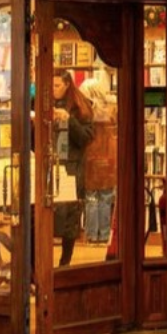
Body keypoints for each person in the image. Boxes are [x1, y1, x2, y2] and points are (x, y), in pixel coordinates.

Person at [52, 70, 94, 267]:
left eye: (57, 86)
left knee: (69, 219)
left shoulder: (80, 106)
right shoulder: (45, 103)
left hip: (72, 169)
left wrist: (69, 119)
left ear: (68, 84)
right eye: (51, 86)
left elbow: (86, 138)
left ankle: (64, 263)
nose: (53, 90)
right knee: (48, 216)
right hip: (51, 166)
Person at [79, 77, 118, 245]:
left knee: (91, 197)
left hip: (91, 154)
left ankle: (91, 235)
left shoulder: (85, 110)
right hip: (109, 154)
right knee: (106, 196)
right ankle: (104, 235)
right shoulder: (111, 109)